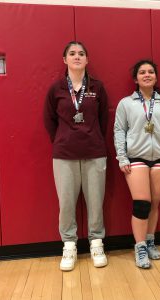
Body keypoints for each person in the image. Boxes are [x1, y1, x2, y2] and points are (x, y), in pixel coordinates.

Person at [44, 41, 108, 271]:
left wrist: (94, 138)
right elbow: (49, 120)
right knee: (67, 203)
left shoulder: (98, 88)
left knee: (95, 201)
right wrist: (63, 139)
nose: (77, 57)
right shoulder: (56, 89)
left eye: (81, 53)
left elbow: (103, 120)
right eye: (72, 54)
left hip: (94, 152)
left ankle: (96, 242)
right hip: (64, 154)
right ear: (65, 60)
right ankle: (69, 244)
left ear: (87, 60)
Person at [114, 60, 160, 268]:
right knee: (142, 204)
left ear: (156, 77)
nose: (147, 75)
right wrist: (122, 157)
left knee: (153, 204)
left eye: (151, 72)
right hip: (136, 157)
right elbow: (119, 130)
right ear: (135, 79)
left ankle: (150, 241)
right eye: (142, 72)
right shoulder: (126, 103)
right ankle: (140, 247)